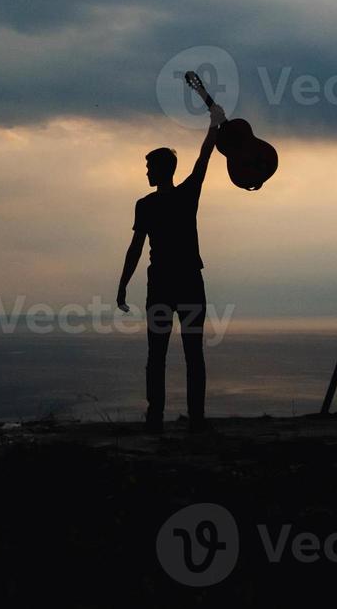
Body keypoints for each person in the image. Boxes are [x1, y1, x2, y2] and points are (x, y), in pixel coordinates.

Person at [115, 103, 225, 433]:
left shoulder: (146, 205)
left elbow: (136, 248)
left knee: (157, 354)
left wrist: (122, 285)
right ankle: (196, 419)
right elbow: (204, 159)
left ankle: (155, 418)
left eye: (150, 167)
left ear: (161, 169)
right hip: (189, 280)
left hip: (162, 283)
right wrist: (214, 124)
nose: (146, 172)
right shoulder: (186, 194)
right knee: (193, 353)